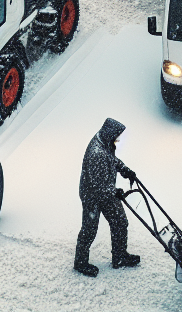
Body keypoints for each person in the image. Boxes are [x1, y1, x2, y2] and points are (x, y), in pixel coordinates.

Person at [74, 118, 140, 277]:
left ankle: (120, 257)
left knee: (120, 221)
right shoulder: (97, 152)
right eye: (117, 136)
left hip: (106, 190)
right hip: (92, 195)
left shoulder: (105, 143)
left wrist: (125, 170)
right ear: (110, 134)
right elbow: (98, 186)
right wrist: (115, 192)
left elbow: (111, 160)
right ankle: (80, 263)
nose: (118, 139)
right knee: (89, 229)